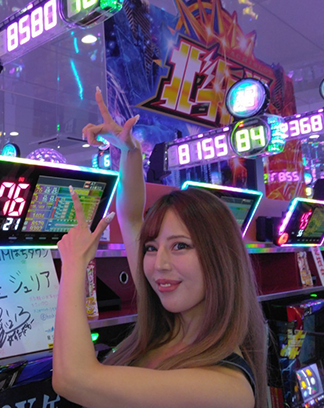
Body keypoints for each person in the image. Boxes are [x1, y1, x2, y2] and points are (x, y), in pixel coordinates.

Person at [52, 87, 267, 408]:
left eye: (180, 246)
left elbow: (73, 378)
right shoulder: (168, 325)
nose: (159, 264)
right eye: (151, 248)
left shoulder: (227, 387)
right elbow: (130, 217)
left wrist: (73, 264)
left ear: (220, 256)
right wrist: (129, 150)